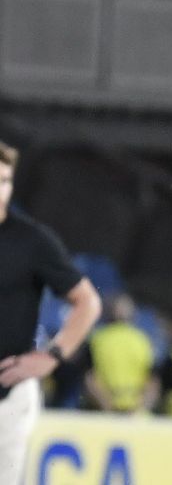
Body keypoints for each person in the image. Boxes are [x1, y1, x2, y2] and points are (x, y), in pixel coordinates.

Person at [0, 139, 102, 485]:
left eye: (4, 181)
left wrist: (52, 356)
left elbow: (87, 302)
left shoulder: (31, 241)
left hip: (8, 396)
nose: (0, 190)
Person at [85, 293, 160, 413]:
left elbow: (90, 378)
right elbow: (153, 381)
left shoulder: (97, 338)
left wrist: (107, 406)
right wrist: (141, 409)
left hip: (105, 412)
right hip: (137, 413)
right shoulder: (143, 339)